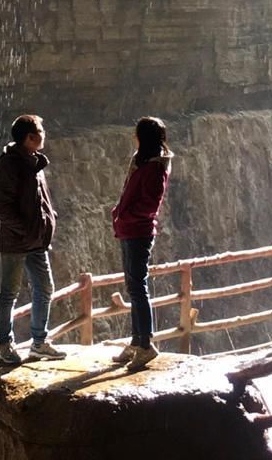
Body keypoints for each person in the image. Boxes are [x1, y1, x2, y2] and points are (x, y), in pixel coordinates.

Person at [0, 113, 66, 364]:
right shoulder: (11, 164)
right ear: (30, 138)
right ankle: (5, 345)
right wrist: (25, 229)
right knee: (9, 294)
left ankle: (39, 342)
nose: (45, 134)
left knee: (45, 288)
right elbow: (1, 206)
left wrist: (47, 219)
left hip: (36, 240)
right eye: (41, 131)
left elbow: (39, 199)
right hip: (17, 241)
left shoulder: (34, 161)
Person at [111, 116, 173, 370]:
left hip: (139, 230)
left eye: (136, 133)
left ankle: (146, 345)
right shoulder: (143, 160)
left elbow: (149, 205)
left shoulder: (155, 167)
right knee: (133, 285)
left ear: (143, 137)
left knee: (138, 287)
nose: (133, 137)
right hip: (129, 228)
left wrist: (124, 215)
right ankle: (137, 341)